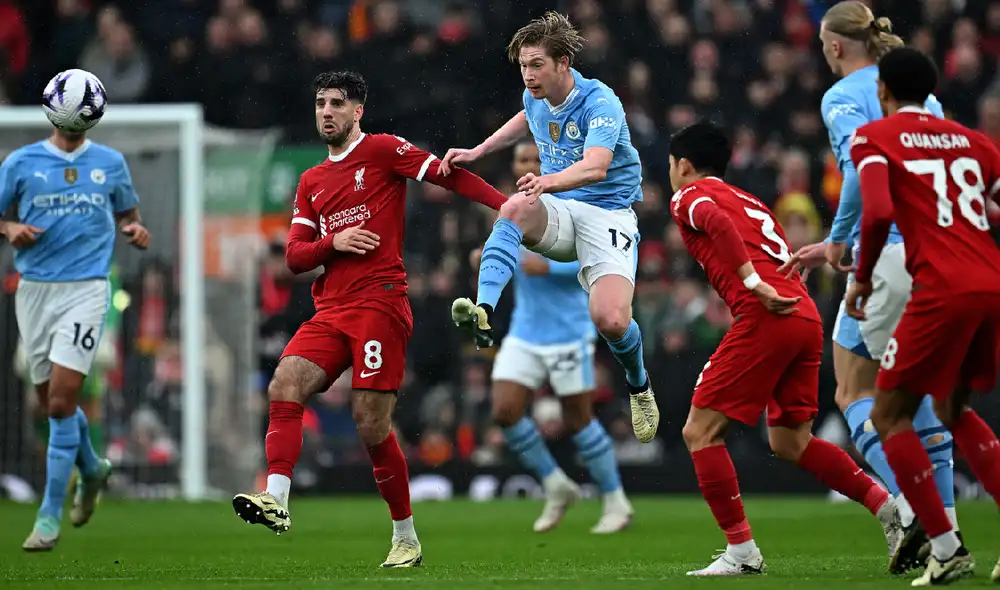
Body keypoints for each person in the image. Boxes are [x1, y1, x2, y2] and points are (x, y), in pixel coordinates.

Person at [231, 71, 507, 568]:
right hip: (331, 308)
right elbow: (294, 257)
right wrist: (330, 244)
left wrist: (505, 206)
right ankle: (276, 498)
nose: (327, 111)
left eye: (337, 103)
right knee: (284, 383)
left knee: (370, 422)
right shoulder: (312, 180)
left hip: (380, 302)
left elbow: (446, 175)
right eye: (320, 103)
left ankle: (406, 535)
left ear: (358, 111)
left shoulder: (381, 150)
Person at [668, 121, 900, 576]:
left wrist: (753, 285)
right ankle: (889, 508)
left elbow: (713, 223)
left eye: (672, 166)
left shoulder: (690, 196)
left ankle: (741, 552)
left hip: (765, 313)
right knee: (791, 439)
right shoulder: (750, 200)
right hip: (803, 315)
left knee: (699, 432)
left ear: (685, 166)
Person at [778, 2, 958, 569]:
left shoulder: (843, 96)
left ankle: (920, 515)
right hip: (938, 254)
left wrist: (838, 241)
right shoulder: (923, 97)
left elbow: (863, 168)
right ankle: (944, 524)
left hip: (888, 256)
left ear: (833, 46)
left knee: (855, 392)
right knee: (920, 396)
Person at [439, 12, 657, 443]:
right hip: (559, 207)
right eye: (523, 65)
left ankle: (639, 383)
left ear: (564, 62)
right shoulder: (534, 96)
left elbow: (596, 167)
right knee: (515, 207)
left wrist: (547, 180)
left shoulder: (600, 101)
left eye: (537, 64)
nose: (529, 75)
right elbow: (525, 118)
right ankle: (485, 308)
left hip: (608, 213)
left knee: (611, 320)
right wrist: (479, 150)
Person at [845, 46, 1000, 587]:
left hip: (941, 288)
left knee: (889, 414)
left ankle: (945, 546)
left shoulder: (874, 137)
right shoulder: (975, 142)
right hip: (990, 282)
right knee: (952, 406)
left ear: (883, 91)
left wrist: (861, 277)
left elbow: (880, 211)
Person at [0, 72, 150, 552]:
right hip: (35, 291)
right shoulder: (21, 163)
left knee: (64, 401)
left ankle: (48, 516)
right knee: (47, 405)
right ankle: (90, 468)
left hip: (87, 290)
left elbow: (128, 213)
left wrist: (134, 231)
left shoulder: (110, 163)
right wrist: (10, 230)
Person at [475, 139, 632, 534]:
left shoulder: (574, 202)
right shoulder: (514, 211)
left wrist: (548, 269)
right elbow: (508, 253)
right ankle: (555, 483)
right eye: (521, 160)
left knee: (578, 419)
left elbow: (596, 257)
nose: (526, 165)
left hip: (569, 331)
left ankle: (616, 500)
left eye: (533, 159)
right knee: (504, 412)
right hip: (526, 330)